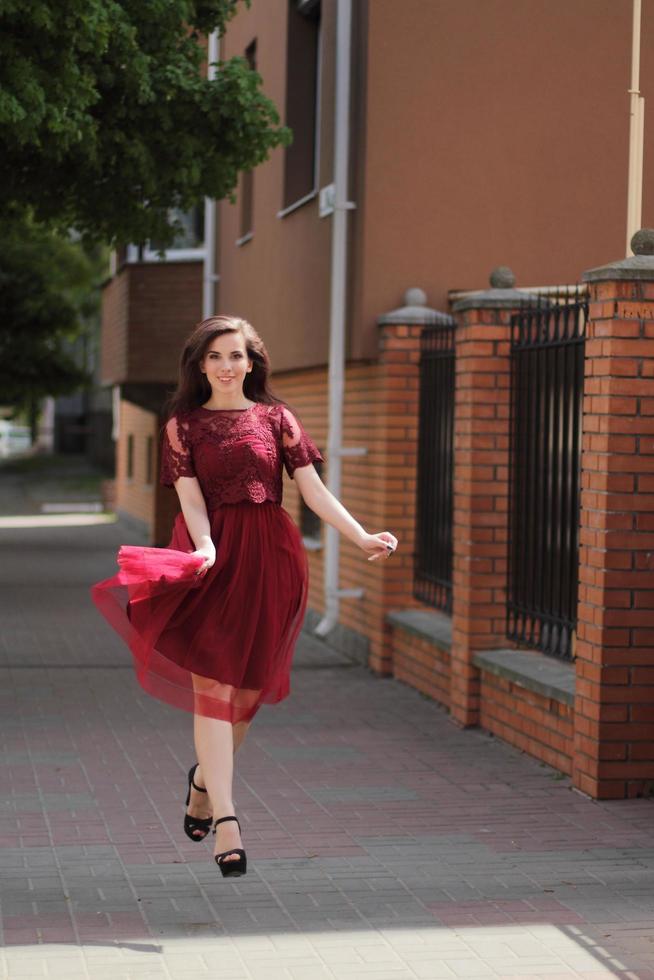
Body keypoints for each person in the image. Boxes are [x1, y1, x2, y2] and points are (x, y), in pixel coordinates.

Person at [92, 314, 398, 878]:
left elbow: (311, 489)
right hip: (214, 557)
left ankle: (204, 780)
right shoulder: (182, 425)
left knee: (246, 693)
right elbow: (190, 498)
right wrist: (206, 546)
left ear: (252, 361)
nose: (227, 366)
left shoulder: (277, 418)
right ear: (200, 365)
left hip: (270, 560)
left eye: (236, 355)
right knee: (214, 683)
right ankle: (228, 820)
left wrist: (360, 536)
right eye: (215, 356)